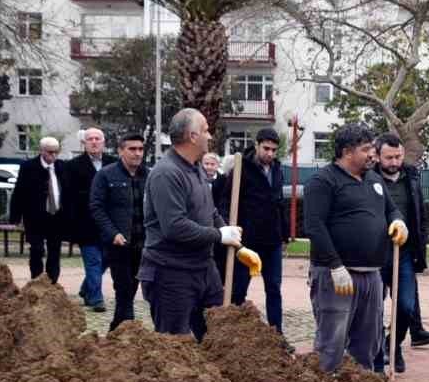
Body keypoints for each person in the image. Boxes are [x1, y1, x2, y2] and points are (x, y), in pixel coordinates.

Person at [302, 124, 409, 373]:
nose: (372, 154)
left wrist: (398, 221)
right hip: (337, 275)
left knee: (369, 342)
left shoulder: (374, 179)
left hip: (372, 275)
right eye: (366, 149)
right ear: (347, 152)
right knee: (332, 341)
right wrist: (335, 266)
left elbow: (391, 209)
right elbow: (315, 227)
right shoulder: (323, 181)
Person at [139, 109, 240, 339]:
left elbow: (209, 210)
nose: (210, 136)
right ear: (192, 136)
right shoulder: (167, 173)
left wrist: (232, 237)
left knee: (219, 337)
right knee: (175, 345)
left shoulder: (196, 169)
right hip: (171, 274)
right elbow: (174, 227)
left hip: (204, 269)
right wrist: (218, 235)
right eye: (205, 130)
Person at [372, 134, 429, 374]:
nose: (394, 161)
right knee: (374, 307)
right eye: (389, 157)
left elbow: (419, 211)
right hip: (376, 254)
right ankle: (380, 351)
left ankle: (395, 343)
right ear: (378, 156)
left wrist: (421, 241)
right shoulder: (370, 179)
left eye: (398, 156)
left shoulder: (411, 178)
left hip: (405, 253)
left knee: (407, 306)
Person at [213, 127, 289, 330]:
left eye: (274, 150)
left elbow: (279, 203)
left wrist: (285, 232)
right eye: (266, 148)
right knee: (238, 289)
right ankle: (235, 333)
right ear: (256, 145)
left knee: (274, 289)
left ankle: (277, 334)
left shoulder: (277, 169)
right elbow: (226, 202)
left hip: (272, 241)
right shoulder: (241, 169)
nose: (270, 153)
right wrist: (230, 230)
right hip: (247, 241)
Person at [90, 132, 148, 331]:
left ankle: (117, 329)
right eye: (132, 149)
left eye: (140, 149)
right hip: (119, 245)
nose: (137, 153)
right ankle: (127, 328)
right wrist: (112, 233)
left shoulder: (149, 175)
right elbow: (97, 208)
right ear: (120, 151)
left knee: (131, 289)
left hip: (144, 245)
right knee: (123, 288)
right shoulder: (106, 175)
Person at [65, 127, 113, 313]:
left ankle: (86, 289)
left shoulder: (114, 163)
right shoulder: (73, 166)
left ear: (103, 142)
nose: (94, 142)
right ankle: (96, 298)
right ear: (83, 143)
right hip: (85, 223)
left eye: (97, 138)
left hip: (109, 224)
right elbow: (69, 197)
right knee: (93, 261)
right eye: (90, 139)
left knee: (106, 259)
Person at [10, 136, 68, 285]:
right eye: (50, 152)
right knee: (37, 250)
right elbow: (19, 192)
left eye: (56, 152)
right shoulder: (28, 167)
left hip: (57, 217)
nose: (53, 155)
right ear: (42, 151)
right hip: (35, 217)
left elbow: (68, 191)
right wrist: (15, 217)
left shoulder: (62, 166)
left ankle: (52, 283)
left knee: (54, 252)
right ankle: (36, 281)